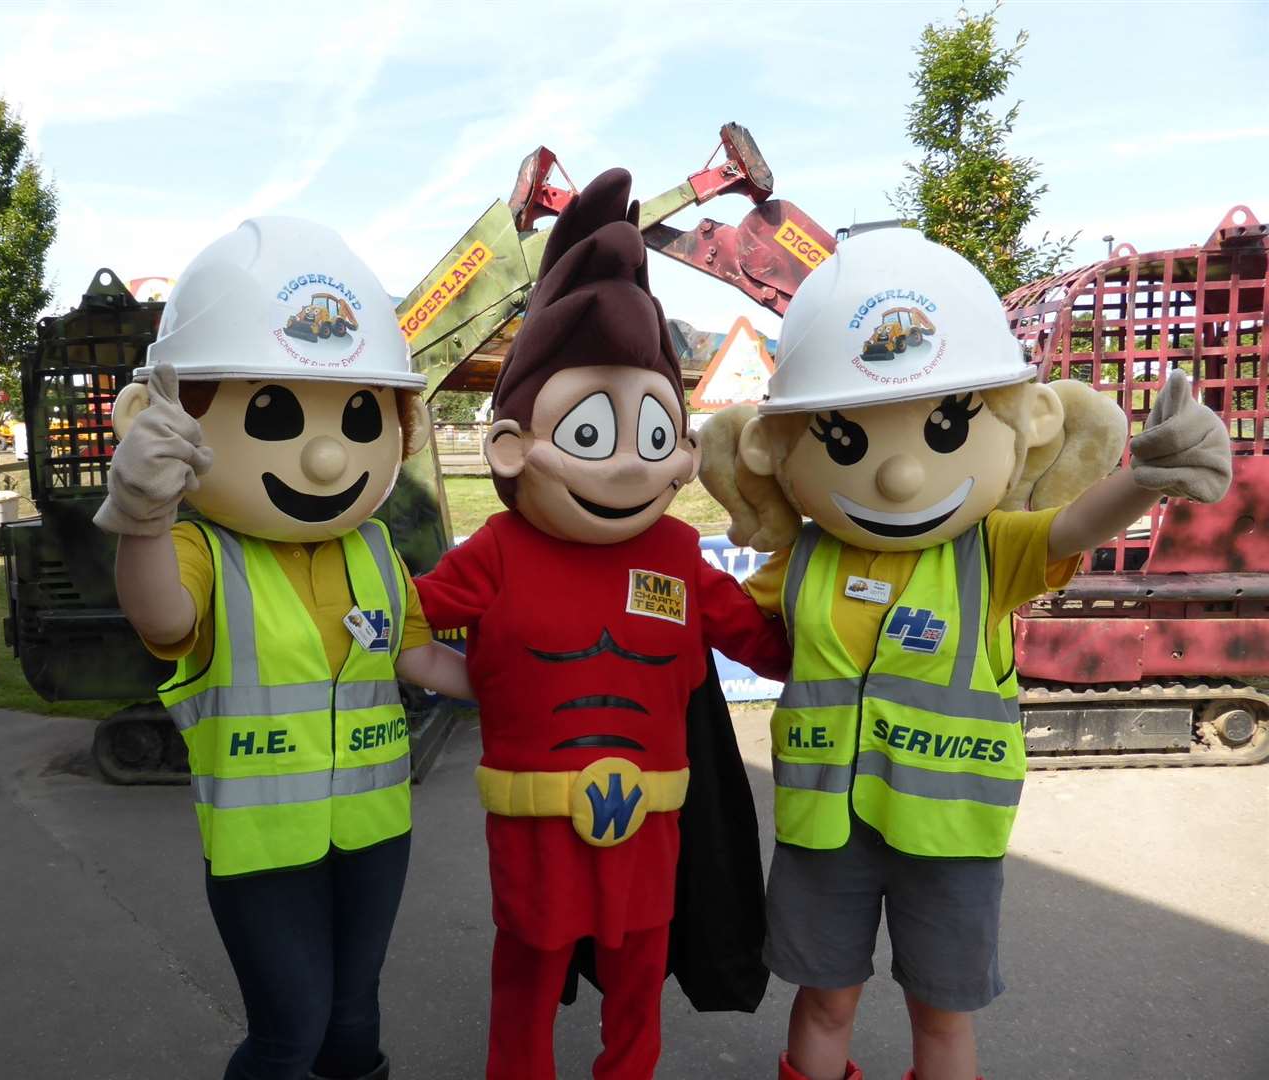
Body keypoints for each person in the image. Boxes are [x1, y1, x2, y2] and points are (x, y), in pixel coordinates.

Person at [699, 226, 1233, 1080]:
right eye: (846, 440)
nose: (901, 480)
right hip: (823, 831)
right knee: (825, 1000)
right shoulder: (800, 558)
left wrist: (1144, 479)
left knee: (941, 1016)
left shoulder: (990, 551)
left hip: (948, 836)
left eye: (947, 426)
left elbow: (1073, 525)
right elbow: (724, 622)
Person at [413, 169, 792, 1080]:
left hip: (652, 830)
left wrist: (806, 556)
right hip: (536, 833)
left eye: (652, 435)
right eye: (589, 433)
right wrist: (470, 679)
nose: (627, 462)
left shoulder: (673, 554)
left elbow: (771, 647)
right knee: (531, 969)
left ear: (683, 451)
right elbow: (400, 623)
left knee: (637, 970)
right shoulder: (500, 549)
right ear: (511, 446)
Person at [94, 217, 471, 1080]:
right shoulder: (208, 550)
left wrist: (515, 676)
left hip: (376, 829)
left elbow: (418, 658)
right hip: (262, 845)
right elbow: (159, 618)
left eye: (361, 414)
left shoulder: (375, 548)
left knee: (353, 1019)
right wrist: (146, 517)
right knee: (290, 1029)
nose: (332, 453)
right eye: (270, 411)